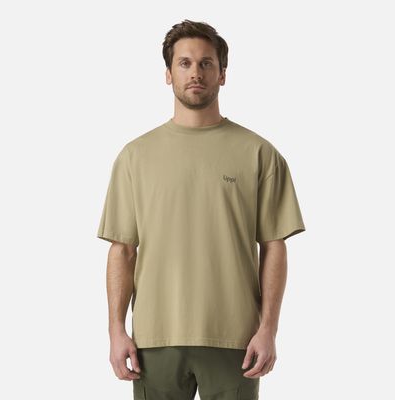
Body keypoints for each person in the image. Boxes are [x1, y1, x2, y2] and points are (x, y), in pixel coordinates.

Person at [97, 19, 306, 400]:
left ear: (222, 74)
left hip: (237, 340)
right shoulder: (134, 157)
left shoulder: (259, 154)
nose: (196, 72)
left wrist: (268, 329)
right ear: (168, 74)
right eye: (185, 63)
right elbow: (122, 249)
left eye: (206, 63)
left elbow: (274, 246)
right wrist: (116, 330)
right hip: (154, 340)